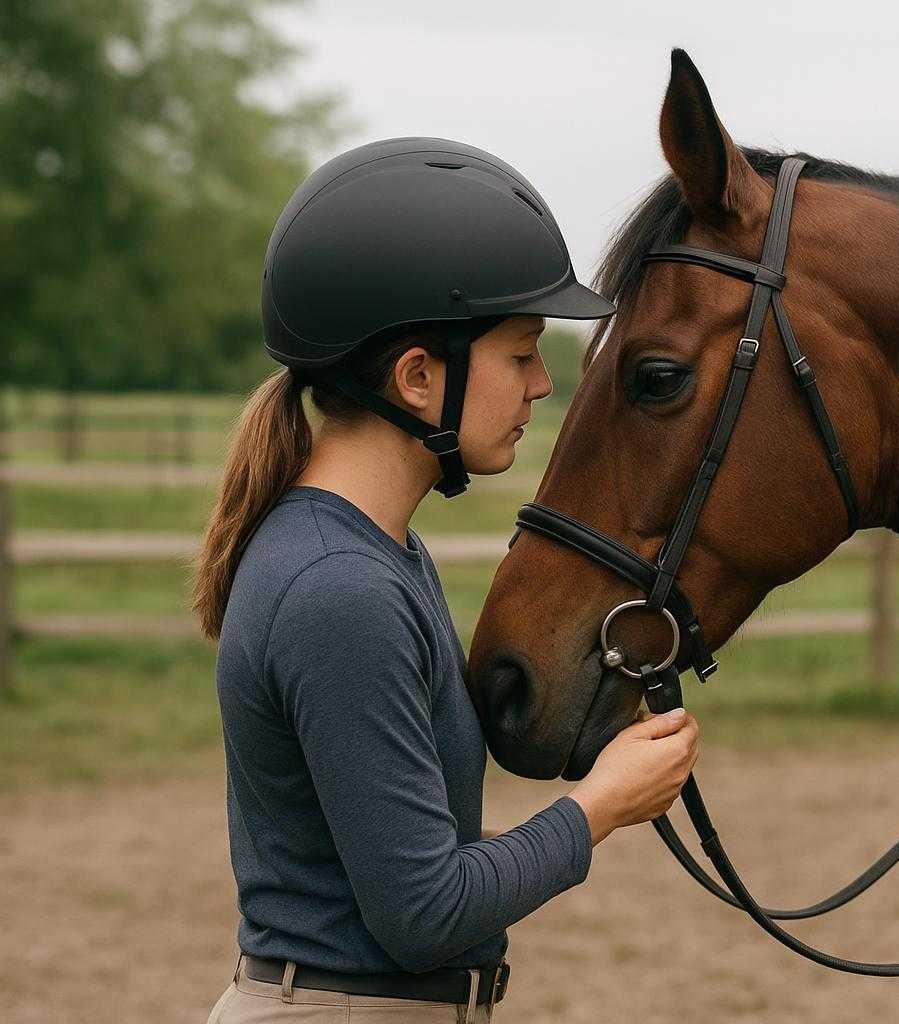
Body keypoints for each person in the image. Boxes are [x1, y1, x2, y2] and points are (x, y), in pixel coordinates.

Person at [192, 138, 698, 1024]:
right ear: (419, 378)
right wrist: (599, 808)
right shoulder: (339, 589)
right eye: (521, 353)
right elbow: (424, 912)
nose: (545, 384)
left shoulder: (382, 554)